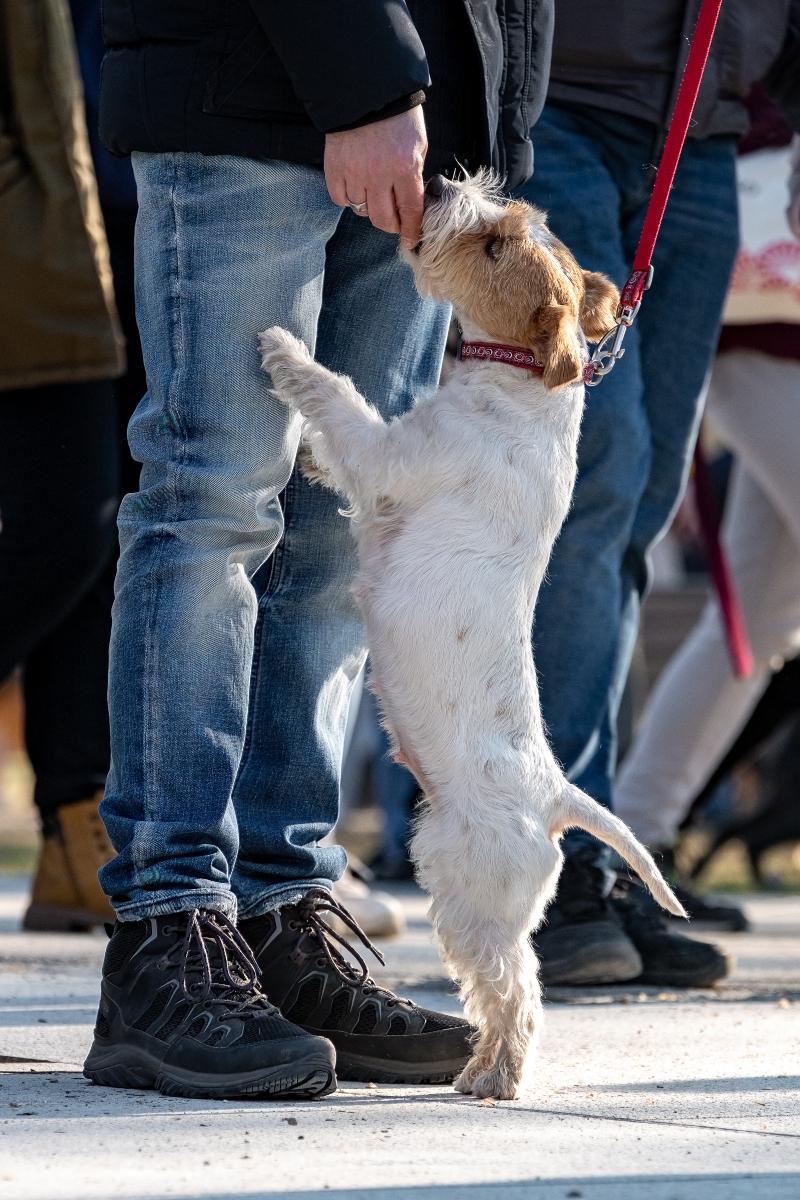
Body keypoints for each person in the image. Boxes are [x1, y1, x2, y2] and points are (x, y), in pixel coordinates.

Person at [84, 1, 557, 1099]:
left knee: (341, 534)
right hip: (258, 77)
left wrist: (488, 120)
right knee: (212, 505)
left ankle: (281, 911)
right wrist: (362, 81)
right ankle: (169, 927)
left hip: (433, 121)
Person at [515, 0, 800, 988]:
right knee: (598, 480)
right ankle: (550, 865)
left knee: (638, 508)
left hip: (708, 129)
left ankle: (605, 843)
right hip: (562, 101)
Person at [614, 92, 800, 882]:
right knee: (752, 624)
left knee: (753, 622)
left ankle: (630, 841)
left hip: (767, 314)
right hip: (760, 314)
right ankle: (630, 839)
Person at [0, 0, 127, 931]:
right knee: (66, 528)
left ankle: (77, 834)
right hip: (35, 217)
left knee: (96, 530)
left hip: (94, 207)